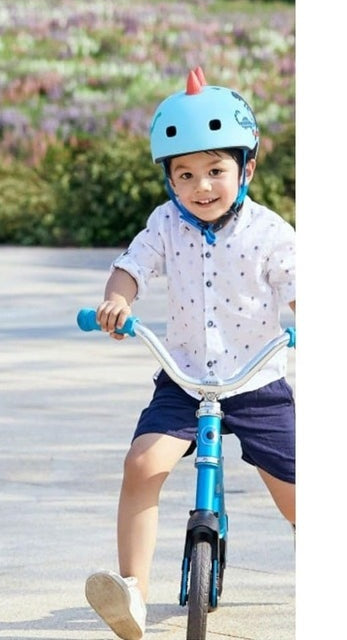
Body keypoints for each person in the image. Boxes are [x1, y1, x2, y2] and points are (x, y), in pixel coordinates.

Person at [83, 67, 296, 640]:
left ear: (246, 169)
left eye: (216, 171)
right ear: (169, 179)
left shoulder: (270, 232)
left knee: (300, 494)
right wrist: (116, 302)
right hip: (184, 381)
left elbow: (298, 284)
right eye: (185, 174)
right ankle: (131, 592)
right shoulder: (165, 225)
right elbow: (132, 267)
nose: (201, 186)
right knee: (141, 465)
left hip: (255, 382)